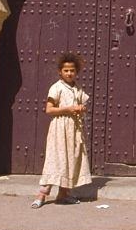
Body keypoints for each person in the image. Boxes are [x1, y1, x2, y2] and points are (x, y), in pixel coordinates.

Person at [31, 52, 92, 208]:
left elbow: (80, 102)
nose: (69, 73)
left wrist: (80, 108)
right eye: (66, 70)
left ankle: (63, 194)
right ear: (60, 71)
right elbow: (49, 110)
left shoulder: (77, 88)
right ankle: (42, 195)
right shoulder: (56, 87)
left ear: (76, 71)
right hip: (59, 129)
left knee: (70, 159)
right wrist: (68, 109)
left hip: (73, 129)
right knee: (55, 160)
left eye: (72, 70)